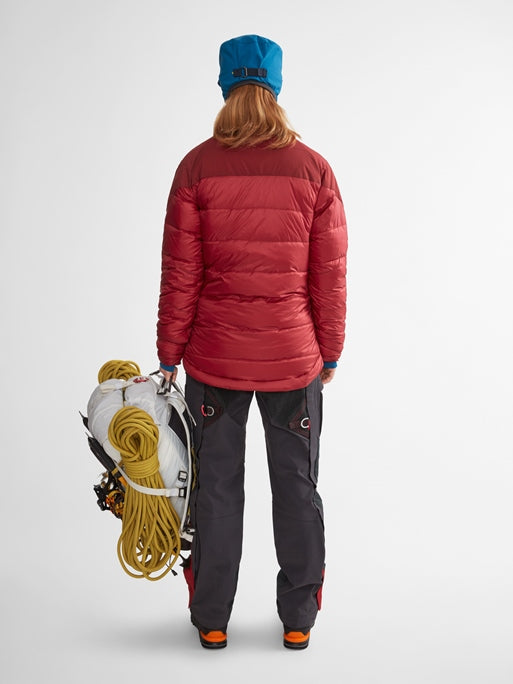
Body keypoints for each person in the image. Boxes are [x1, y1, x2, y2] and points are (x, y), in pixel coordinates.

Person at [157, 34, 347, 650]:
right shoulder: (313, 169)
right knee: (296, 487)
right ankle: (298, 620)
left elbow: (180, 274)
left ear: (224, 86)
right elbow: (329, 274)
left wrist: (168, 354)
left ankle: (212, 619)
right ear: (277, 87)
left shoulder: (196, 167)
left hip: (214, 360)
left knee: (215, 489)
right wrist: (331, 349)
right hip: (293, 360)